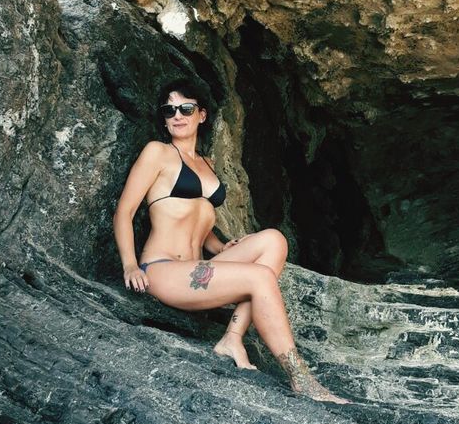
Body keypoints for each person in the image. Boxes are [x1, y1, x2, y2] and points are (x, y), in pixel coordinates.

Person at [113, 75, 348, 403]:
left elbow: (199, 219)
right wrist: (129, 265)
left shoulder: (206, 164)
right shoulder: (158, 153)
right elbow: (124, 211)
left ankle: (233, 337)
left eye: (185, 108)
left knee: (274, 240)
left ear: (201, 115)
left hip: (196, 267)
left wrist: (221, 248)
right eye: (169, 111)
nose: (177, 116)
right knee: (260, 277)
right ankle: (302, 379)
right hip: (162, 270)